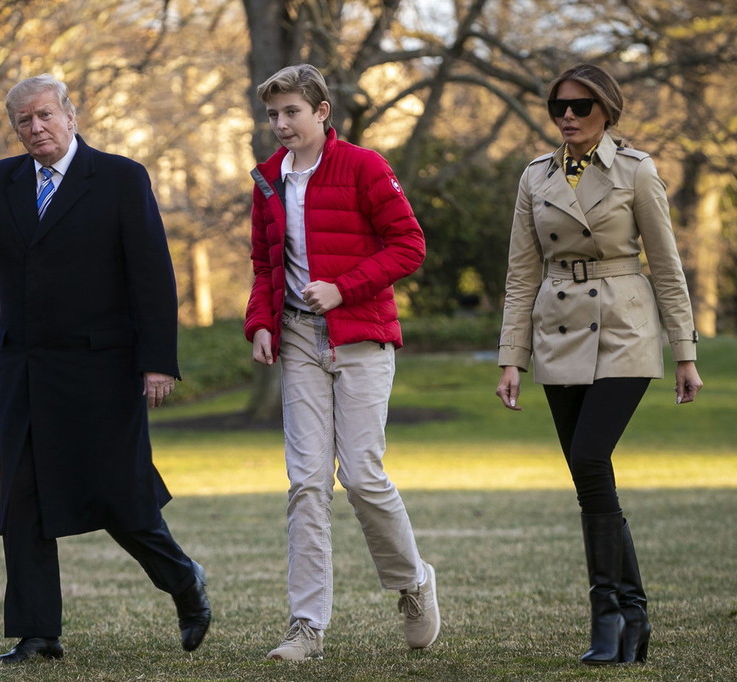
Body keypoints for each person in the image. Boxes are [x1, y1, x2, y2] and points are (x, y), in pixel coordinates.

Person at [0, 74, 211, 664]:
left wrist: (158, 363)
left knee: (120, 497)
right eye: (24, 120)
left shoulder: (121, 177)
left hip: (104, 367)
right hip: (26, 368)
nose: (35, 127)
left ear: (71, 114)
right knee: (23, 500)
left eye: (45, 114)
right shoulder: (2, 180)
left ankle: (184, 581)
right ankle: (38, 634)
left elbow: (153, 274)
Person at [495, 63, 703, 665]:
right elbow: (520, 273)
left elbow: (665, 267)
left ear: (606, 111)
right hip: (557, 328)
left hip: (624, 327)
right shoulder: (535, 177)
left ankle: (608, 616)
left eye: (580, 107)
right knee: (592, 477)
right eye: (558, 105)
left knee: (589, 458)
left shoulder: (637, 173)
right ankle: (632, 616)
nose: (567, 116)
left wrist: (684, 352)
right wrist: (512, 357)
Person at [244, 64, 440, 661]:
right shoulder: (267, 179)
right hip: (299, 341)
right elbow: (262, 264)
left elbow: (410, 245)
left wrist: (343, 287)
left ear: (322, 111)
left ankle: (413, 584)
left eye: (292, 112)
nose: (281, 124)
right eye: (273, 114)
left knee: (360, 475)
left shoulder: (364, 166)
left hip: (360, 338)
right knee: (306, 482)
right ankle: (307, 627)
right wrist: (258, 323)